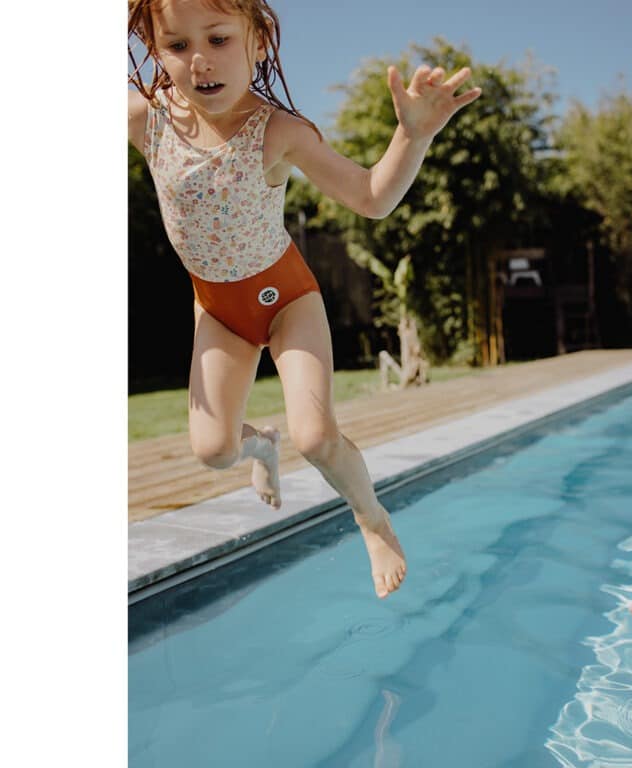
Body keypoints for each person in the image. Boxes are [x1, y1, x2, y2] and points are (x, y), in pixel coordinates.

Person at [127, 0, 482, 599]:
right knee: (213, 452)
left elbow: (371, 197)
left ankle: (370, 515)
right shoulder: (145, 118)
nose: (199, 62)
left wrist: (412, 135)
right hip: (217, 309)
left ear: (258, 41)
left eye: (217, 39)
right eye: (177, 45)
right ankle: (261, 446)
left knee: (316, 437)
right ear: (153, 47)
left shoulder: (278, 132)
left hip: (286, 298)